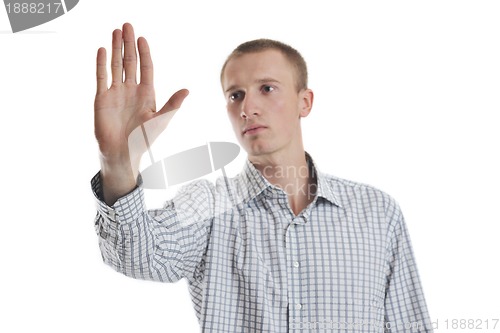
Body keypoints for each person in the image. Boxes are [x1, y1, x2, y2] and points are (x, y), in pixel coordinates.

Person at [91, 23, 433, 332]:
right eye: (235, 95)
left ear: (305, 102)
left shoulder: (377, 212)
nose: (247, 107)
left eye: (266, 88)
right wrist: (118, 162)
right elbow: (136, 255)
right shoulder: (208, 207)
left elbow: (410, 325)